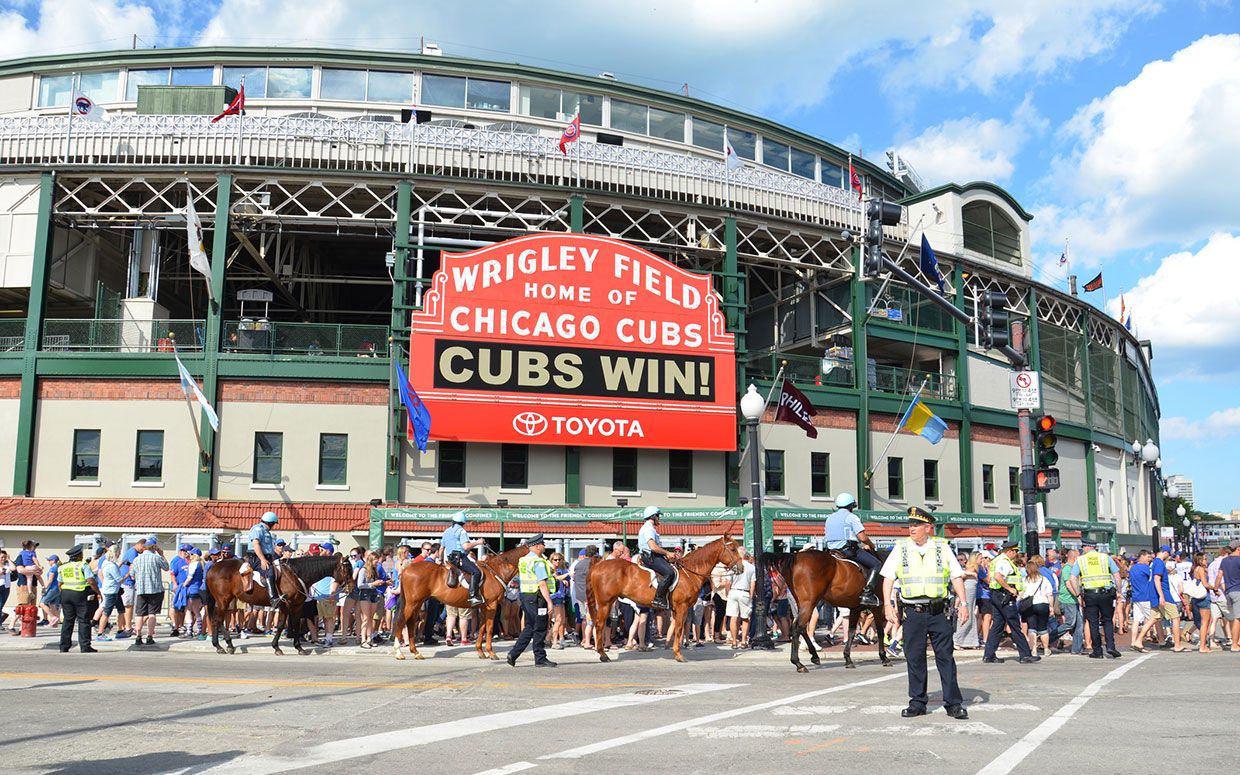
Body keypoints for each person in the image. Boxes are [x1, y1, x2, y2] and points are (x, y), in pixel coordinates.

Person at [881, 507, 968, 719]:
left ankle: (953, 703)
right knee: (915, 658)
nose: (911, 528)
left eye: (916, 525)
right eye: (910, 524)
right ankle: (917, 702)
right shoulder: (900, 548)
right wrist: (887, 605)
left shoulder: (942, 547)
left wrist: (963, 603)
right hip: (913, 611)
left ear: (928, 528)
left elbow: (956, 576)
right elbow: (888, 578)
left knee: (945, 658)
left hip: (938, 611)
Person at [982, 540, 1038, 664]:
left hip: (997, 595)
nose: (1016, 554)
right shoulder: (1004, 562)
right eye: (1015, 551)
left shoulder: (998, 560)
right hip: (1004, 595)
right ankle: (1025, 655)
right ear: (1009, 551)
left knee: (997, 626)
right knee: (1014, 625)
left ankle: (989, 655)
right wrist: (1009, 588)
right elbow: (998, 576)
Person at [506, 534, 556, 668]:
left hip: (526, 596)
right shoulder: (537, 562)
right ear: (537, 546)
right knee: (539, 627)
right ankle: (540, 658)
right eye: (543, 544)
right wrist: (549, 601)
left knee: (529, 626)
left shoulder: (524, 560)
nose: (544, 546)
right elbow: (542, 583)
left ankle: (514, 653)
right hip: (537, 597)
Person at [824, 492, 881, 606]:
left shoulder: (829, 518)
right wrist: (872, 545)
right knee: (877, 564)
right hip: (848, 551)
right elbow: (862, 537)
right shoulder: (851, 517)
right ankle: (867, 594)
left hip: (832, 552)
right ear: (851, 506)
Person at [1076, 539, 1122, 659]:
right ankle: (1111, 646)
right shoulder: (1105, 557)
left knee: (1093, 622)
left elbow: (1072, 578)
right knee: (1107, 620)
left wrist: (1077, 594)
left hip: (1090, 595)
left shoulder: (1081, 560)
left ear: (1087, 547)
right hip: (1106, 593)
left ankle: (1097, 650)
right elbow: (1117, 576)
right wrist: (1119, 591)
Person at [57, 544, 101, 653]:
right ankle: (85, 646)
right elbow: (90, 580)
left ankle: (64, 646)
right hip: (80, 593)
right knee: (83, 620)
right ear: (79, 555)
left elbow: (59, 583)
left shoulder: (63, 566)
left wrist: (64, 593)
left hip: (66, 593)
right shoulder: (83, 565)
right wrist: (98, 592)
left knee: (68, 620)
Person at [440, 512, 485, 606]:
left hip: (449, 559)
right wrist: (478, 542)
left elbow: (441, 549)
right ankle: (473, 597)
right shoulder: (461, 531)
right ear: (463, 523)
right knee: (476, 572)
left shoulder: (446, 531)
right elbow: (466, 546)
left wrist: (441, 561)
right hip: (459, 558)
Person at [130, 539, 169, 646]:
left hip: (141, 589)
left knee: (140, 614)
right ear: (154, 547)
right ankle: (149, 636)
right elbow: (166, 568)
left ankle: (138, 635)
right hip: (155, 589)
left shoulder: (137, 559)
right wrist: (162, 555)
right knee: (152, 614)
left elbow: (132, 574)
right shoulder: (156, 558)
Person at [638, 506, 676, 610]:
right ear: (653, 516)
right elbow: (653, 547)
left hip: (654, 556)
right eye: (658, 516)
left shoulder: (650, 528)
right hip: (651, 557)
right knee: (669, 573)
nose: (659, 518)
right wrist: (667, 553)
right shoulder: (649, 528)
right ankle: (658, 598)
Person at [246, 511, 284, 605]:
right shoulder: (258, 529)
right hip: (257, 558)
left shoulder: (266, 531)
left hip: (267, 557)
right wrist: (263, 559)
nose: (274, 526)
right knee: (269, 572)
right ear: (270, 523)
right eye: (274, 524)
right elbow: (256, 544)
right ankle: (273, 598)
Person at [1055, 548, 1084, 654]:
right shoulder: (1068, 568)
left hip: (1072, 600)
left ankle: (1076, 648)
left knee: (1079, 625)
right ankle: (1049, 636)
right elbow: (1068, 584)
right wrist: (1077, 595)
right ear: (1075, 557)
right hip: (1067, 599)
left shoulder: (1073, 568)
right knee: (1070, 623)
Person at [1220, 539, 1240, 652]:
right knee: (1238, 619)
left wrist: (1216, 589)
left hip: (1228, 592)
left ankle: (1236, 641)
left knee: (1233, 618)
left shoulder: (1224, 561)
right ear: (1238, 548)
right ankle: (1235, 644)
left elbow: (1219, 576)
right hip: (1238, 591)